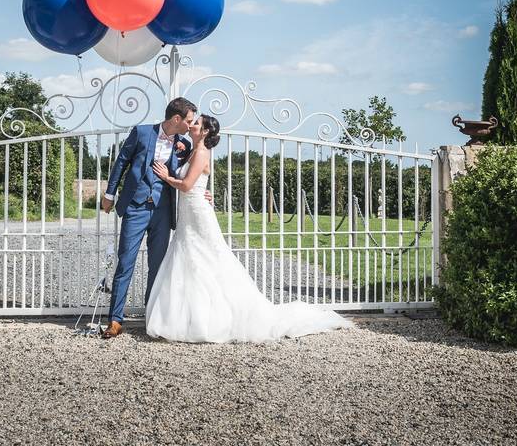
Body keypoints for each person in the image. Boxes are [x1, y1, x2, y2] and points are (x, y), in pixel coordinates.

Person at [145, 114, 354, 343]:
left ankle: (211, 320)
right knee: (190, 261)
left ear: (204, 131)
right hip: (188, 214)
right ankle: (188, 319)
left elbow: (185, 185)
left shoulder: (202, 152)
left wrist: (166, 177)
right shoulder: (191, 150)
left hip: (197, 213)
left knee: (208, 259)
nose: (191, 125)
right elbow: (195, 182)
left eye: (196, 123)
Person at [99, 97, 205, 339]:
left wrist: (203, 192)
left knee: (157, 267)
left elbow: (194, 171)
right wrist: (109, 193)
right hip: (135, 208)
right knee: (125, 263)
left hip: (162, 210)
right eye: (188, 121)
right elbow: (122, 162)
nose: (190, 126)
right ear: (176, 119)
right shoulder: (142, 132)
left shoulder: (184, 145)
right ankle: (115, 320)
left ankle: (152, 318)